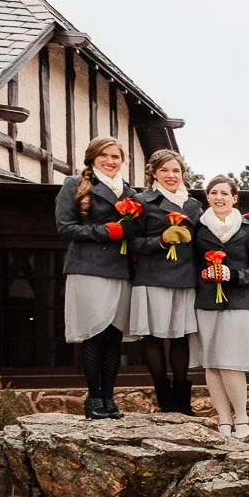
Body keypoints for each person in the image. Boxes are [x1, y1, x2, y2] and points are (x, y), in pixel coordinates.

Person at [55, 136, 136, 420]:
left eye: (116, 156)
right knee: (94, 334)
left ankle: (109, 399)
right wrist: (105, 232)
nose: (111, 161)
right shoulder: (74, 185)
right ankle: (94, 399)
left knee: (114, 336)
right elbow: (65, 228)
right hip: (88, 268)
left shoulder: (129, 193)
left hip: (121, 271)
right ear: (92, 157)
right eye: (105, 155)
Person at [189, 175, 249, 441]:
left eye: (224, 193)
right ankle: (223, 419)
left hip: (239, 302)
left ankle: (242, 417)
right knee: (212, 362)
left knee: (231, 362)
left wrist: (233, 275)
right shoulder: (198, 228)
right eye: (213, 192)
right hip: (207, 301)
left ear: (234, 198)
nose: (219, 197)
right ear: (207, 197)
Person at [128, 149, 201, 414]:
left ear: (183, 175)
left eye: (176, 171)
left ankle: (183, 401)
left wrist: (246, 223)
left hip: (185, 279)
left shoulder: (193, 205)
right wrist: (160, 240)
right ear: (153, 173)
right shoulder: (142, 201)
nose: (171, 176)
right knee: (154, 338)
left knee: (180, 338)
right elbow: (132, 240)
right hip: (153, 276)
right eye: (165, 170)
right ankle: (165, 397)